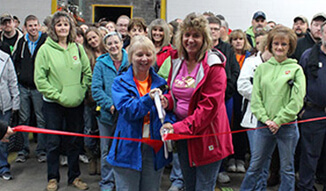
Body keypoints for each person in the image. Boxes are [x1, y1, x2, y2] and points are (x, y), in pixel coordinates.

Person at [160, 12, 233, 191]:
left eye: (196, 35)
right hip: (184, 135)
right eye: (187, 35)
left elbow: (208, 109)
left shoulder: (214, 67)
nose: (190, 40)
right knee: (189, 185)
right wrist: (167, 101)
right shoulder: (177, 60)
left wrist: (176, 128)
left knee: (203, 187)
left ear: (205, 39)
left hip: (207, 135)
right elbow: (176, 94)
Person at [240, 25, 306, 191]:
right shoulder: (262, 69)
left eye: (284, 44)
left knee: (287, 169)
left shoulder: (296, 69)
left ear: (290, 47)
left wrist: (278, 120)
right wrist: (266, 119)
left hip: (287, 127)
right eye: (276, 43)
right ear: (270, 45)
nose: (279, 47)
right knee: (255, 166)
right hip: (263, 125)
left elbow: (297, 101)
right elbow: (256, 98)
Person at [107, 35, 174, 191]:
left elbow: (168, 111)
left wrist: (169, 120)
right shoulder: (120, 83)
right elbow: (128, 110)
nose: (144, 59)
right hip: (127, 148)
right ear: (131, 57)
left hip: (154, 147)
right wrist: (148, 99)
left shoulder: (161, 83)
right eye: (139, 55)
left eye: (148, 54)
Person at [34, 11, 92, 191]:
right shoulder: (45, 49)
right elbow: (40, 80)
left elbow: (87, 73)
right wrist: (59, 96)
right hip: (53, 104)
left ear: (71, 27)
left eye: (66, 24)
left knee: (74, 141)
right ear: (53, 28)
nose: (63, 28)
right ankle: (52, 178)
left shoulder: (77, 48)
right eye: (59, 24)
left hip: (76, 104)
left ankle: (74, 177)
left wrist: (81, 91)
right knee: (53, 142)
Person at [91, 31, 129, 191]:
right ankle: (107, 183)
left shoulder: (131, 61)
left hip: (127, 115)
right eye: (110, 44)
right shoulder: (101, 63)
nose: (113, 46)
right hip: (107, 116)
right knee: (106, 150)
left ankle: (123, 182)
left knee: (125, 149)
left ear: (121, 43)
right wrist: (111, 105)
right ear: (105, 47)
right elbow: (96, 89)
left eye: (116, 42)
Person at [237, 33, 272, 189]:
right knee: (257, 162)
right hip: (253, 118)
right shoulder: (251, 62)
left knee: (266, 163)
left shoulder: (279, 65)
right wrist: (264, 97)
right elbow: (242, 86)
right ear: (266, 47)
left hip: (272, 119)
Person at [13, 14, 47, 163]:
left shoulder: (45, 41)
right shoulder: (22, 42)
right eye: (30, 26)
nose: (33, 28)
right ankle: (23, 150)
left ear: (39, 26)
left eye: (35, 25)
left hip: (39, 88)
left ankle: (41, 150)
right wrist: (20, 75)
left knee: (41, 119)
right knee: (24, 119)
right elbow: (16, 61)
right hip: (23, 87)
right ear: (25, 27)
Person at [297, 21, 326, 191]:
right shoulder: (308, 56)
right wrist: (301, 110)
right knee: (309, 155)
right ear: (321, 34)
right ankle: (305, 187)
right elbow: (298, 85)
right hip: (313, 113)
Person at [83, 27, 108, 176]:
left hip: (107, 98)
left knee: (104, 134)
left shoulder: (109, 52)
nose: (93, 41)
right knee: (89, 130)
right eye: (89, 39)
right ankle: (93, 157)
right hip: (91, 99)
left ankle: (104, 162)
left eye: (94, 37)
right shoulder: (87, 55)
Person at [227, 29, 251, 173]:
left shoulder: (249, 57)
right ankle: (230, 157)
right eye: (235, 39)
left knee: (242, 127)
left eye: (240, 39)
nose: (238, 42)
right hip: (232, 95)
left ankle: (240, 158)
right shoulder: (229, 56)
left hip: (245, 97)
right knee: (231, 126)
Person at [0, 48, 20, 181]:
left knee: (3, 139)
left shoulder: (5, 58)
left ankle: (3, 167)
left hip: (4, 105)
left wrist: (15, 104)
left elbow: (13, 81)